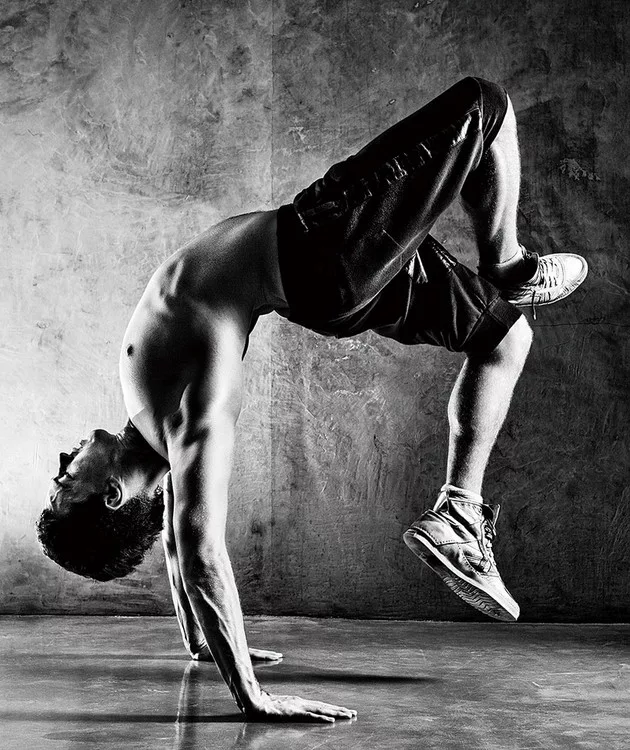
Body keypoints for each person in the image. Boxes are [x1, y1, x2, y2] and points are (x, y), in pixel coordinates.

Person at [37, 77, 587, 722]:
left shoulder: (158, 437)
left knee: (505, 338)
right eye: (63, 483)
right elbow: (199, 547)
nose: (63, 462)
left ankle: (459, 510)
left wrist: (201, 643)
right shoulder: (186, 417)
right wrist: (252, 696)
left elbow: (178, 545)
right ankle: (508, 264)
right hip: (326, 245)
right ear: (110, 494)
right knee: (483, 105)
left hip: (331, 285)